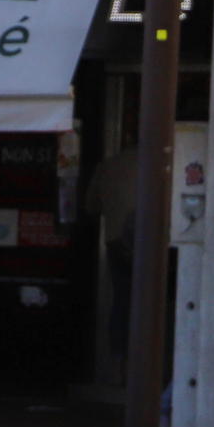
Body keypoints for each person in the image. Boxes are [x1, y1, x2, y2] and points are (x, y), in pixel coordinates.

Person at [82, 132, 139, 359]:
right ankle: (146, 365)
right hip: (149, 242)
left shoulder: (107, 165)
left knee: (121, 300)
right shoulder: (159, 163)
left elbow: (90, 206)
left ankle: (118, 366)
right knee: (151, 302)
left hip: (116, 240)